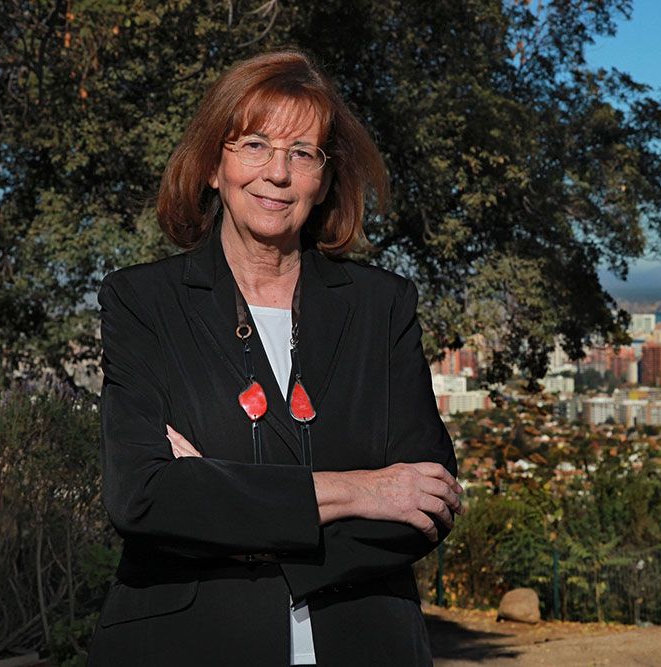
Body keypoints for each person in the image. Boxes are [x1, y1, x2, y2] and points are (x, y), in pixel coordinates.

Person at [88, 49, 461, 666]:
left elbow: (427, 503)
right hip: (187, 646)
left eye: (302, 153)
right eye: (254, 144)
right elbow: (144, 496)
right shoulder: (142, 301)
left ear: (325, 177)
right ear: (213, 164)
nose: (278, 173)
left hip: (367, 644)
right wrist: (362, 489)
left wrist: (223, 502)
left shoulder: (382, 306)